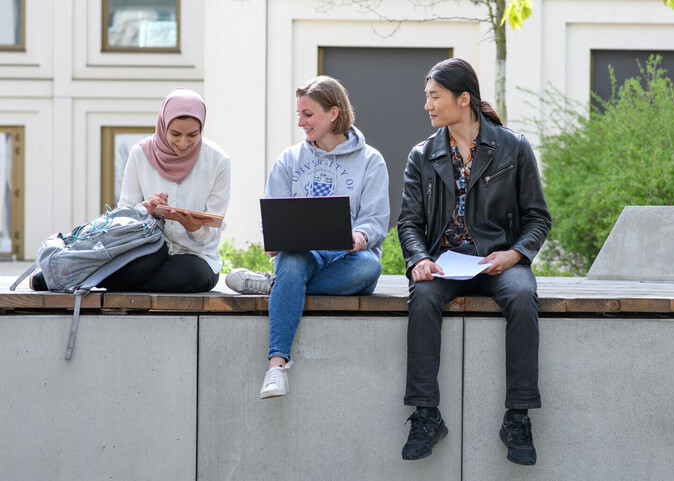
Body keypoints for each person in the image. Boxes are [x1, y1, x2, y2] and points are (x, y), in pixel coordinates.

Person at [397, 58, 551, 465]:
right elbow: (409, 222)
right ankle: (426, 414)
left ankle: (517, 417)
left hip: (500, 261)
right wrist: (419, 259)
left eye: (434, 96)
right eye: (427, 97)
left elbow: (538, 216)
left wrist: (515, 254)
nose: (427, 105)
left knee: (521, 295)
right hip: (445, 264)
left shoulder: (512, 147)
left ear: (463, 99)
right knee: (424, 296)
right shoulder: (422, 155)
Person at [226, 75, 390, 400]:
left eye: (308, 114)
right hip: (304, 255)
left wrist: (357, 237)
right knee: (291, 260)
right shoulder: (289, 160)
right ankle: (276, 367)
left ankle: (279, 286)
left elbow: (375, 221)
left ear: (333, 113)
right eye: (299, 114)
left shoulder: (371, 161)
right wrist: (274, 239)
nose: (300, 122)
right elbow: (274, 215)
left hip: (347, 259)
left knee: (370, 267)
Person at [29, 88, 231, 293]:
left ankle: (75, 279)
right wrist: (147, 209)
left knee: (192, 277)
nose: (183, 143)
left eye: (193, 135)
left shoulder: (218, 161)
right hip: (147, 246)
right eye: (175, 134)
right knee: (145, 264)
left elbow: (212, 234)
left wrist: (194, 228)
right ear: (163, 125)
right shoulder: (141, 153)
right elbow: (124, 216)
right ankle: (86, 277)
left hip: (195, 256)